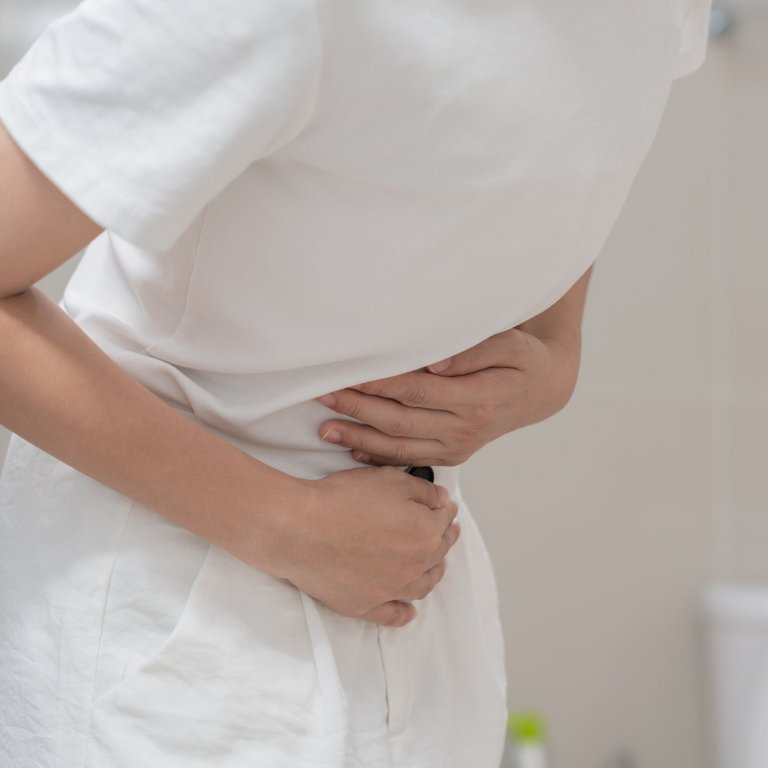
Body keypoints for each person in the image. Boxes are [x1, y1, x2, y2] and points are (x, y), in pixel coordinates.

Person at [0, 0, 712, 766]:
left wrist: (555, 351)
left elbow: (560, 135)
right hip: (165, 610)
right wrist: (279, 522)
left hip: (417, 603)